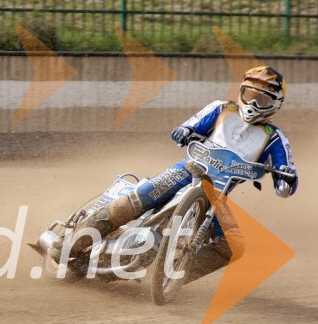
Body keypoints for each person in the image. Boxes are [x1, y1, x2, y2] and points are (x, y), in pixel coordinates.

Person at [61, 65, 298, 266]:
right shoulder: (221, 109)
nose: (254, 103)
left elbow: (284, 185)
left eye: (263, 99)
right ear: (241, 92)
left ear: (276, 103)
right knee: (138, 199)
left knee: (231, 246)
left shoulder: (276, 138)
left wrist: (286, 177)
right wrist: (184, 131)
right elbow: (190, 126)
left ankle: (175, 271)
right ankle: (69, 246)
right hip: (187, 171)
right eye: (249, 94)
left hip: (218, 193)